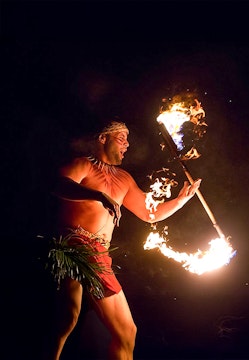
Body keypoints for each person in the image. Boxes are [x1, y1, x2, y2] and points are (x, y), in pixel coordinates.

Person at [42, 120, 201, 360]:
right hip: (74, 247)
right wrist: (97, 195)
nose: (127, 144)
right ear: (102, 138)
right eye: (121, 138)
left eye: (128, 138)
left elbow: (150, 214)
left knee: (71, 320)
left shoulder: (124, 178)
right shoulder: (83, 165)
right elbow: (58, 185)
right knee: (78, 322)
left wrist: (180, 201)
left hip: (98, 256)